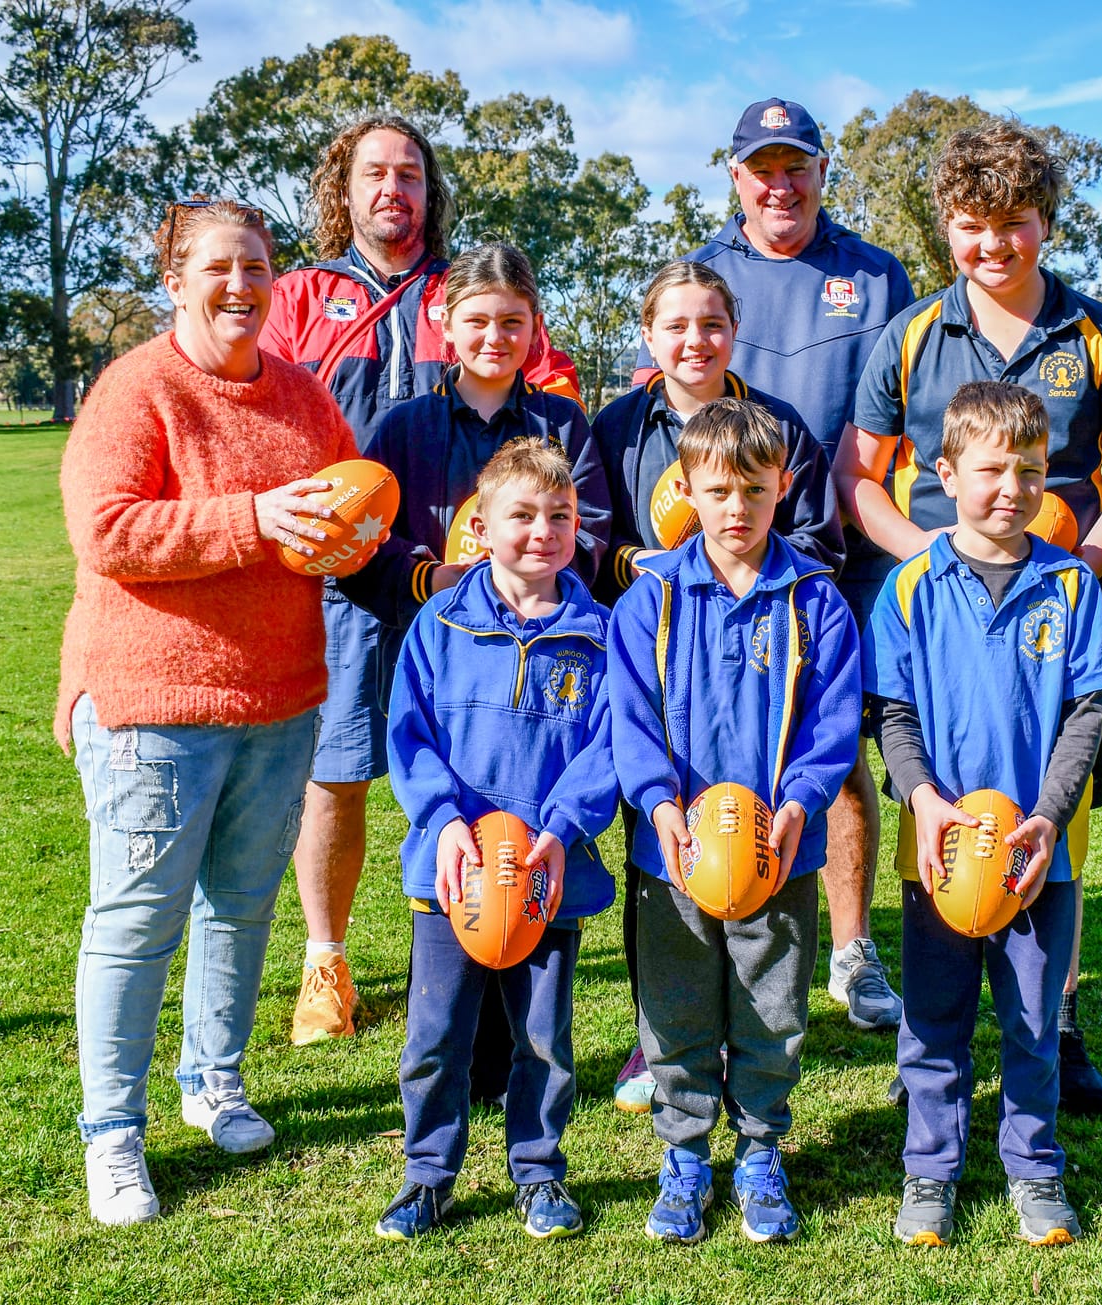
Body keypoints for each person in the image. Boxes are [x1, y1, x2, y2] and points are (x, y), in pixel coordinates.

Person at [836, 118, 1102, 1112]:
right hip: (939, 621)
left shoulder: (1097, 332)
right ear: (946, 228)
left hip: (1051, 624)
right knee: (928, 801)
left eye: (1012, 224)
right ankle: (931, 1039)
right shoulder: (908, 335)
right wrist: (927, 560)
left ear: (1044, 224)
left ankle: (1053, 1029)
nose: (992, 245)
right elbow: (859, 479)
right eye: (972, 225)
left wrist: (1067, 575)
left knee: (1050, 819)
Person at [57, 197, 367, 1226]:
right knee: (136, 921)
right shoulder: (136, 390)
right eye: (217, 267)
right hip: (153, 705)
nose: (240, 285)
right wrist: (251, 518)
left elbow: (338, 511)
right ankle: (113, 1136)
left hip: (279, 701)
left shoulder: (303, 396)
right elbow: (104, 529)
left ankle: (213, 1083)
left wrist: (351, 539)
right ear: (175, 278)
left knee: (239, 909)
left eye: (256, 265)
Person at [261, 116, 580, 1046]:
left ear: (428, 189)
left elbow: (545, 407)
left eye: (410, 172)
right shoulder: (301, 295)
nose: (393, 188)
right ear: (344, 187)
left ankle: (485, 929)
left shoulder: (470, 291)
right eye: (374, 172)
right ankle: (326, 962)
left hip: (483, 595)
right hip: (356, 578)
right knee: (342, 767)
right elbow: (267, 413)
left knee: (483, 766)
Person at [640, 97, 913, 1035]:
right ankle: (710, 922)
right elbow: (668, 402)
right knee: (709, 745)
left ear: (821, 172)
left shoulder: (876, 274)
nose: (780, 182)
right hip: (717, 553)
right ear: (736, 175)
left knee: (835, 755)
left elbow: (902, 409)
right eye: (763, 166)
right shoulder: (703, 274)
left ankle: (851, 949)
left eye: (797, 165)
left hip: (844, 546)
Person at [866, 382, 1102, 1247]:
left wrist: (1053, 813)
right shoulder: (909, 586)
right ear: (943, 472)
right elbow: (893, 716)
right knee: (932, 1020)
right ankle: (929, 1172)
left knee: (1030, 1020)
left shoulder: (1071, 584)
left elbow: (1089, 712)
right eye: (991, 470)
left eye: (1030, 469)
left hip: (1035, 854)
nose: (1012, 488)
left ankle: (1036, 1168)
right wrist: (925, 798)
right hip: (938, 852)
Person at [346, 438, 617, 1243]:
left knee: (543, 1039)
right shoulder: (441, 621)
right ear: (482, 527)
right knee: (436, 1036)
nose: (543, 530)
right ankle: (426, 1175)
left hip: (545, 871)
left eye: (560, 515)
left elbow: (609, 748)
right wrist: (446, 822)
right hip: (453, 870)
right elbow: (410, 732)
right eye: (522, 515)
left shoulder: (597, 632)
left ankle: (539, 1173)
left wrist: (565, 827)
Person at [591, 259, 844, 1112]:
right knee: (665, 889)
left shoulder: (783, 428)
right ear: (649, 335)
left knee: (770, 928)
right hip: (672, 661)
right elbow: (597, 544)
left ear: (734, 330)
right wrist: (657, 568)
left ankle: (760, 1103)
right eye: (676, 325)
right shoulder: (618, 426)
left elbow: (821, 540)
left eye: (712, 323)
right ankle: (658, 1043)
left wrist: (763, 565)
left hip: (764, 656)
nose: (694, 340)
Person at [608, 399, 861, 1245]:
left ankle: (759, 1149)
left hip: (779, 849)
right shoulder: (653, 598)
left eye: (755, 489)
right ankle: (684, 1154)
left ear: (782, 485)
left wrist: (798, 803)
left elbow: (833, 722)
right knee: (676, 1008)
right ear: (686, 489)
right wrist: (661, 805)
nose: (737, 509)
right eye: (718, 490)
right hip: (672, 851)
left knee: (770, 1004)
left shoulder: (815, 600)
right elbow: (631, 719)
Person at [343, 242, 610, 620]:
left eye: (512, 322)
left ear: (536, 326)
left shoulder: (563, 423)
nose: (495, 337)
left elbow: (592, 529)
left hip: (541, 635)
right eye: (477, 322)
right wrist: (427, 579)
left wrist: (526, 581)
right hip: (430, 637)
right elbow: (364, 545)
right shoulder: (406, 428)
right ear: (447, 326)